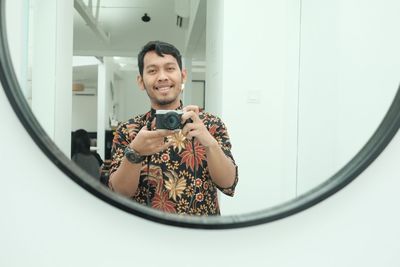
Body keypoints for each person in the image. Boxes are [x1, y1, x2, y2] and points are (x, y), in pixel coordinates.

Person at [108, 41, 238, 215]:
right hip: (144, 235)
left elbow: (228, 183)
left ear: (183, 76)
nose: (162, 77)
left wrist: (210, 144)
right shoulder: (129, 130)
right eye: (152, 71)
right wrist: (135, 152)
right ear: (140, 81)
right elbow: (120, 194)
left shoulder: (210, 124)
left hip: (201, 236)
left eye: (169, 68)